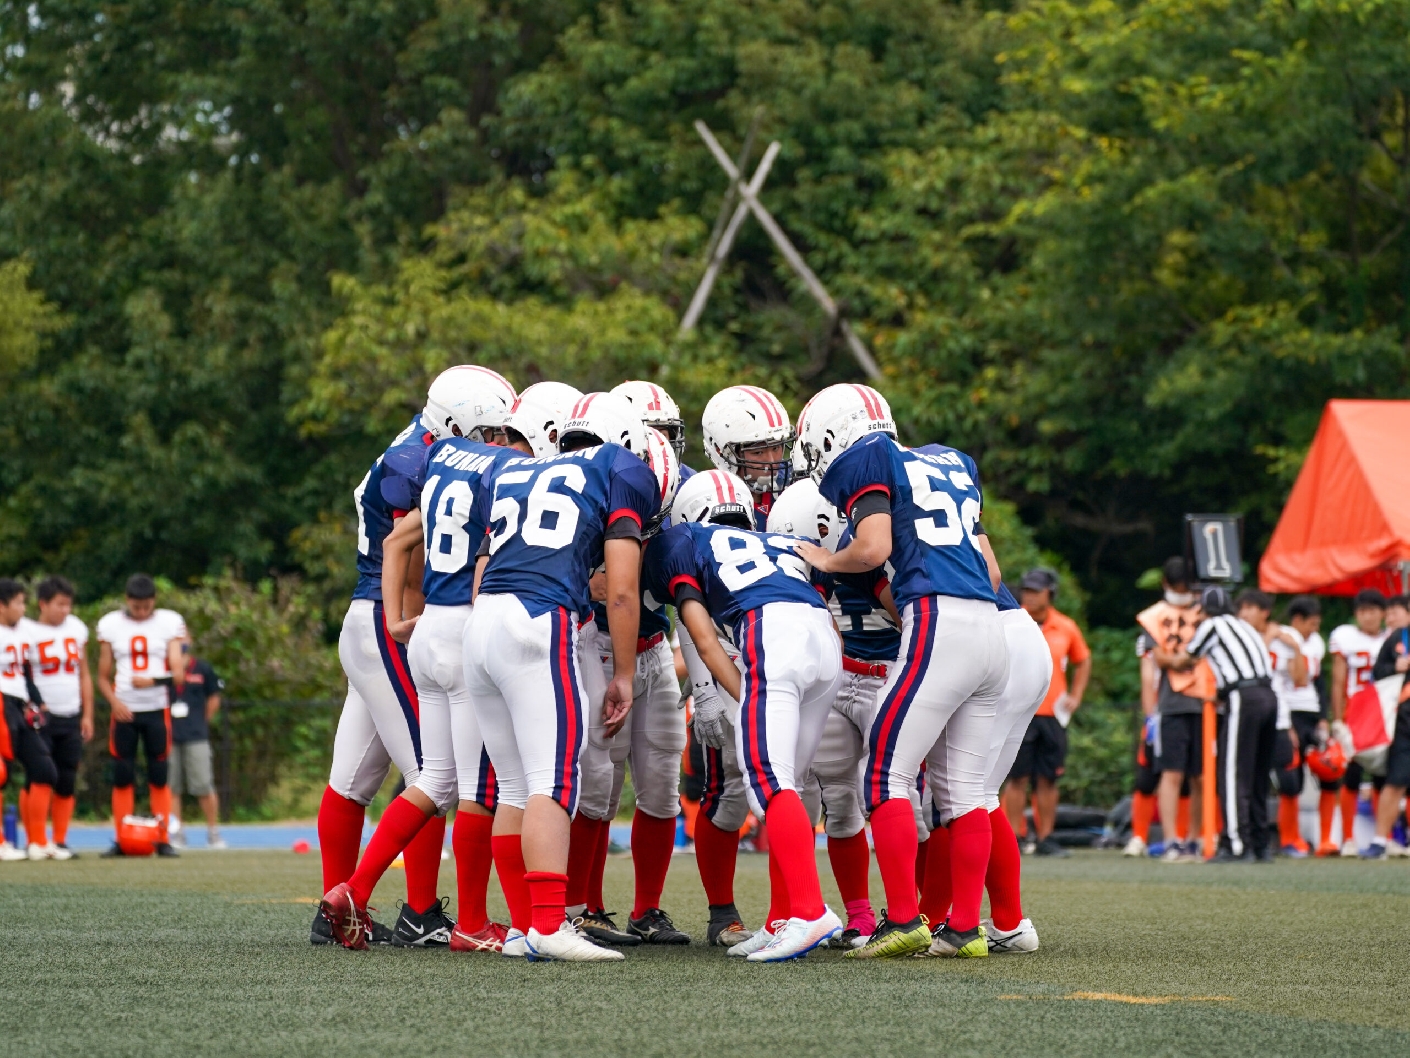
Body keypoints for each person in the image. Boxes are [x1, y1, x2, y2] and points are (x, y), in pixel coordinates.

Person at [799, 382, 1007, 960]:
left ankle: (902, 919)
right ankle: (966, 929)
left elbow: (870, 548)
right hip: (991, 628)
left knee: (884, 774)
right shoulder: (950, 462)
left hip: (938, 622)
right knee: (965, 792)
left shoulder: (867, 458)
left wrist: (822, 558)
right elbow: (991, 572)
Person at [312, 364, 514, 948]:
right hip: (391, 616)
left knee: (353, 778)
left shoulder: (421, 445)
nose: (497, 444)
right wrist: (417, 616)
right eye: (490, 432)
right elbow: (413, 548)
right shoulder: (415, 461)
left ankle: (338, 906)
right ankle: (420, 911)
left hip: (372, 618)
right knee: (433, 772)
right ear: (455, 422)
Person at [455, 392, 661, 963]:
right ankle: (548, 923)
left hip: (484, 620)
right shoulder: (621, 469)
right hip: (537, 622)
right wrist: (622, 673)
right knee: (554, 782)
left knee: (516, 788)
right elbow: (621, 589)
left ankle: (525, 928)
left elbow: (485, 562)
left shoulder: (518, 468)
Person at [651, 491, 844, 961]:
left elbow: (701, 636)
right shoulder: (771, 541)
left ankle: (809, 910)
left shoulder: (678, 542)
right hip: (823, 639)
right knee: (791, 788)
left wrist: (746, 696)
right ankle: (783, 919)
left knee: (769, 783)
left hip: (771, 634)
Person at [769, 478, 885, 949]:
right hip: (839, 677)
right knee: (839, 801)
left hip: (888, 673)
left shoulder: (876, 549)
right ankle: (858, 915)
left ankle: (923, 911)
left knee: (907, 799)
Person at [1171, 587, 1276, 862]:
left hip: (1244, 697)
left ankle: (1236, 844)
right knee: (1257, 774)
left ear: (1204, 610)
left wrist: (1165, 659)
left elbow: (1187, 659)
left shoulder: (1212, 625)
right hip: (1269, 696)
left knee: (1232, 773)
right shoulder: (1245, 626)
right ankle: (1260, 843)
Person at [96, 574, 187, 858]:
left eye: (147, 606)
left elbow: (178, 673)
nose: (142, 612)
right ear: (128, 601)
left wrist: (154, 681)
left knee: (159, 775)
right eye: (137, 607)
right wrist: (114, 703)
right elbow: (101, 676)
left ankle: (161, 838)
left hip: (156, 708)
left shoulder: (169, 622)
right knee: (122, 774)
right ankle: (122, 838)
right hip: (124, 710)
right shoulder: (111, 624)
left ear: (154, 602)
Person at [1002, 568, 1089, 857]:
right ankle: (1012, 836)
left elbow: (1083, 660)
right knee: (1016, 778)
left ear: (1050, 594)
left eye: (1036, 591)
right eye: (1026, 589)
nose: (1029, 595)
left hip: (1052, 714)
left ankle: (1046, 837)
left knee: (1048, 779)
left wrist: (1076, 695)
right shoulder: (1013, 619)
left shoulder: (1065, 626)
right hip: (1019, 711)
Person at [1141, 557, 1213, 861]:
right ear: (1166, 586)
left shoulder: (1206, 613)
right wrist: (1150, 714)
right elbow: (1159, 660)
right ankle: (1171, 839)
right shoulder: (1156, 617)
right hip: (1172, 705)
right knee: (1171, 773)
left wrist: (1182, 659)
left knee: (1200, 776)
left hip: (1205, 702)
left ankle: (1195, 838)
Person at [26, 576, 93, 859]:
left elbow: (84, 673)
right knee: (39, 776)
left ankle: (60, 840)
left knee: (66, 777)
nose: (65, 610)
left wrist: (88, 714)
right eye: (59, 604)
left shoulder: (77, 628)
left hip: (71, 713)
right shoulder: (27, 631)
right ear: (43, 604)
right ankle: (36, 840)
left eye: (68, 604)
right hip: (41, 716)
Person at [1327, 588, 1388, 855]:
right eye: (1362, 611)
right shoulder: (1345, 637)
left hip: (1384, 714)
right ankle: (1349, 838)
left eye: (1372, 611)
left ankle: (1381, 836)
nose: (1367, 617)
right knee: (1350, 774)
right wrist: (1338, 718)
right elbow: (1338, 681)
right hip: (1355, 711)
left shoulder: (1392, 638)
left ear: (1383, 614)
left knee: (1383, 776)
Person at [1266, 596, 1324, 857]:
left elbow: (1313, 681)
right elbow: (1289, 682)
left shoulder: (1316, 642)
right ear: (1297, 620)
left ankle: (1317, 838)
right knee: (1289, 778)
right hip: (1287, 712)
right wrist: (1286, 720)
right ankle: (1288, 837)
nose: (1314, 629)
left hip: (1309, 711)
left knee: (1324, 772)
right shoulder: (1282, 636)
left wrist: (1323, 714)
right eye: (1310, 623)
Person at [701, 385, 794, 523]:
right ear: (721, 452)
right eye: (758, 452)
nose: (772, 461)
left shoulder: (796, 485)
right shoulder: (704, 500)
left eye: (776, 448)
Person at [0, 578, 44, 862]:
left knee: (44, 769)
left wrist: (36, 702)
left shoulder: (25, 631)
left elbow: (26, 674)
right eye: (18, 602)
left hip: (18, 704)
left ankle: (38, 842)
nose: (23, 608)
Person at [166, 652, 226, 850]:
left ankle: (213, 833)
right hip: (169, 735)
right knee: (172, 787)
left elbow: (214, 698)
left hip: (196, 735)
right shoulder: (163, 666)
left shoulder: (202, 668)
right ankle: (177, 833)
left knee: (203, 785)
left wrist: (201, 722)